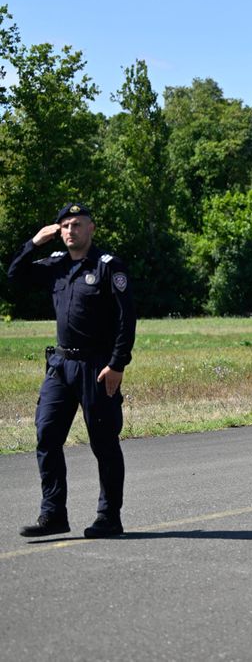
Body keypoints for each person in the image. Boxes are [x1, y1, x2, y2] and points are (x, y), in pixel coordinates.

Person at [7, 203, 136, 538]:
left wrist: (117, 364)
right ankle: (53, 515)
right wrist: (34, 242)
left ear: (91, 229)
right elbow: (14, 276)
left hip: (97, 367)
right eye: (64, 226)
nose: (70, 231)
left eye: (77, 225)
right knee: (46, 435)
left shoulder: (108, 267)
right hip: (60, 366)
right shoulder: (56, 266)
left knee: (103, 442)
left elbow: (126, 319)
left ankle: (109, 517)